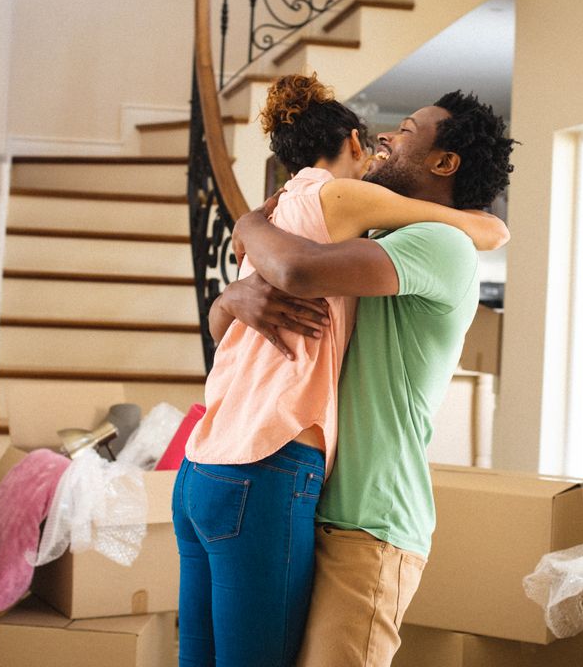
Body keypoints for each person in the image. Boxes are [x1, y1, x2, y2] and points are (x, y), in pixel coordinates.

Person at [172, 74, 509, 667]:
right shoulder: (370, 229)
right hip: (314, 497)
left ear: (444, 160)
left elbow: (296, 270)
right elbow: (239, 324)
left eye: (405, 131)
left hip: (368, 522)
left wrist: (249, 224)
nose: (383, 137)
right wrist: (231, 299)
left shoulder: (437, 243)